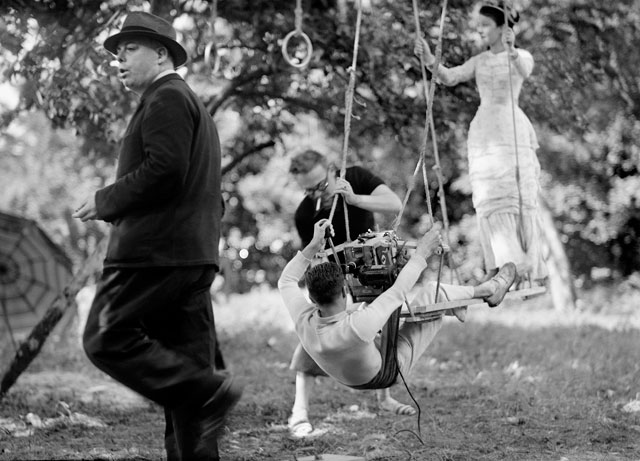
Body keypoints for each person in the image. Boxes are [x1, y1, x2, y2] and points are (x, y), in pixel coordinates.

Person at [72, 12, 241, 461]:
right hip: (189, 257)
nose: (119, 61)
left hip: (154, 257)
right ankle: (201, 395)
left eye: (129, 51)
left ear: (161, 53)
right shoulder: (188, 103)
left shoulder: (165, 97)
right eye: (117, 54)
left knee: (105, 338)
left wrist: (106, 199)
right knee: (186, 394)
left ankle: (208, 392)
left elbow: (165, 170)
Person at [278, 220, 516, 407]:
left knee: (375, 299)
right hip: (386, 373)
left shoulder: (303, 318)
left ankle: (456, 303)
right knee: (433, 293)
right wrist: (422, 252)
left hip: (348, 374)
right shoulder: (357, 326)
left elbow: (285, 280)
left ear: (311, 297)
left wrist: (313, 245)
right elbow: (398, 292)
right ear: (342, 290)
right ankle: (490, 290)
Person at [414, 1, 547, 284]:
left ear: (502, 28)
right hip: (485, 131)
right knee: (489, 197)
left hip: (511, 130)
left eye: (486, 26)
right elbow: (449, 76)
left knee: (516, 195)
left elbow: (524, 70)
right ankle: (496, 264)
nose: (482, 31)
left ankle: (522, 266)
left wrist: (511, 49)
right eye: (480, 27)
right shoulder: (480, 61)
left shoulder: (521, 55)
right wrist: (428, 58)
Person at [287, 148, 410, 436]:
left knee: (384, 327)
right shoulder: (306, 212)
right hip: (334, 280)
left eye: (321, 184)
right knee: (311, 335)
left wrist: (355, 199)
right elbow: (311, 258)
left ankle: (384, 396)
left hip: (371, 266)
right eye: (309, 190)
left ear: (331, 169)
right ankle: (299, 410)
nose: (318, 194)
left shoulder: (356, 177)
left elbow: (393, 203)